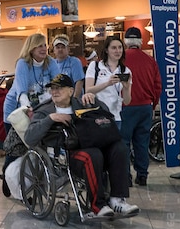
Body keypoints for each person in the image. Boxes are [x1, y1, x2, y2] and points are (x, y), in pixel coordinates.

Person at [24, 73, 139, 217]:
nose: (54, 91)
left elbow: (105, 117)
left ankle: (117, 200)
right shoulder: (44, 110)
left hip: (90, 144)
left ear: (71, 91)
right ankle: (98, 205)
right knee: (92, 155)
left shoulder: (81, 102)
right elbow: (29, 138)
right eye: (52, 88)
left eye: (59, 88)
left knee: (120, 148)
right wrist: (50, 118)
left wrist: (95, 101)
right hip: (65, 155)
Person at [1, 33, 61, 174]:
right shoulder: (22, 63)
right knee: (15, 147)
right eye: (39, 45)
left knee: (41, 144)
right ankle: (7, 174)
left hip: (39, 109)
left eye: (45, 45)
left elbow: (58, 83)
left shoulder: (51, 62)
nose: (43, 48)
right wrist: (27, 108)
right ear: (31, 48)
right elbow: (21, 91)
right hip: (16, 110)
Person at [121, 27, 162, 187]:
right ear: (140, 42)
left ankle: (126, 177)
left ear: (125, 42)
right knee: (142, 142)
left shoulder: (121, 60)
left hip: (126, 106)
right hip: (145, 106)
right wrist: (152, 105)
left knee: (124, 143)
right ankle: (142, 175)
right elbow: (158, 86)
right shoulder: (150, 60)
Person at [84, 36, 132, 124]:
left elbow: (127, 101)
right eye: (114, 48)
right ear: (107, 50)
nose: (118, 51)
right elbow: (88, 90)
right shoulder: (95, 66)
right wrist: (107, 84)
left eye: (120, 47)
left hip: (115, 117)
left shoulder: (125, 70)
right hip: (97, 116)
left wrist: (126, 87)